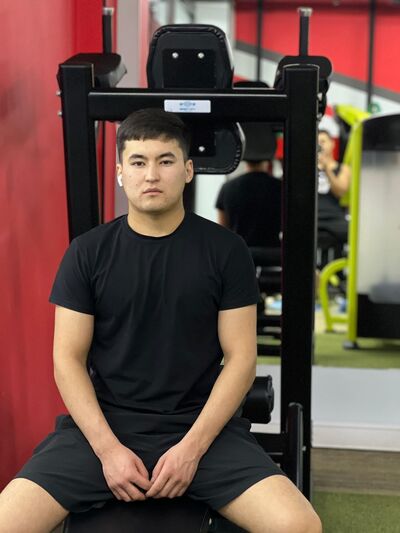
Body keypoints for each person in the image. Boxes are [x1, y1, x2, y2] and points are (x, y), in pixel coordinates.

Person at [0, 109, 321, 533]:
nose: (151, 174)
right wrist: (108, 450)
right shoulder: (87, 253)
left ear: (187, 170)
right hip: (104, 429)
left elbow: (242, 360)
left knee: (299, 525)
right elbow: (67, 360)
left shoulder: (227, 251)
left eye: (165, 161)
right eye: (138, 162)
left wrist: (192, 449)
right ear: (120, 173)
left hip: (201, 429)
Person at [317, 129, 351, 248]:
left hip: (333, 216)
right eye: (317, 143)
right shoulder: (308, 167)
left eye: (323, 141)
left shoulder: (343, 168)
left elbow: (340, 191)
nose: (320, 146)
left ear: (332, 144)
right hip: (314, 215)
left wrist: (327, 168)